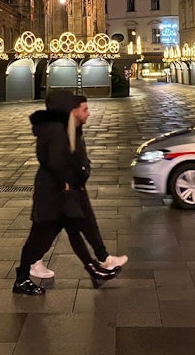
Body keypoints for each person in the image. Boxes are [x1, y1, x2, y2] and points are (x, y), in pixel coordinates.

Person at [11, 90, 122, 296]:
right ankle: (22, 278)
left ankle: (94, 270)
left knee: (73, 230)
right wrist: (67, 183)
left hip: (57, 192)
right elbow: (55, 160)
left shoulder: (57, 127)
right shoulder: (56, 130)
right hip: (53, 194)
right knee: (38, 238)